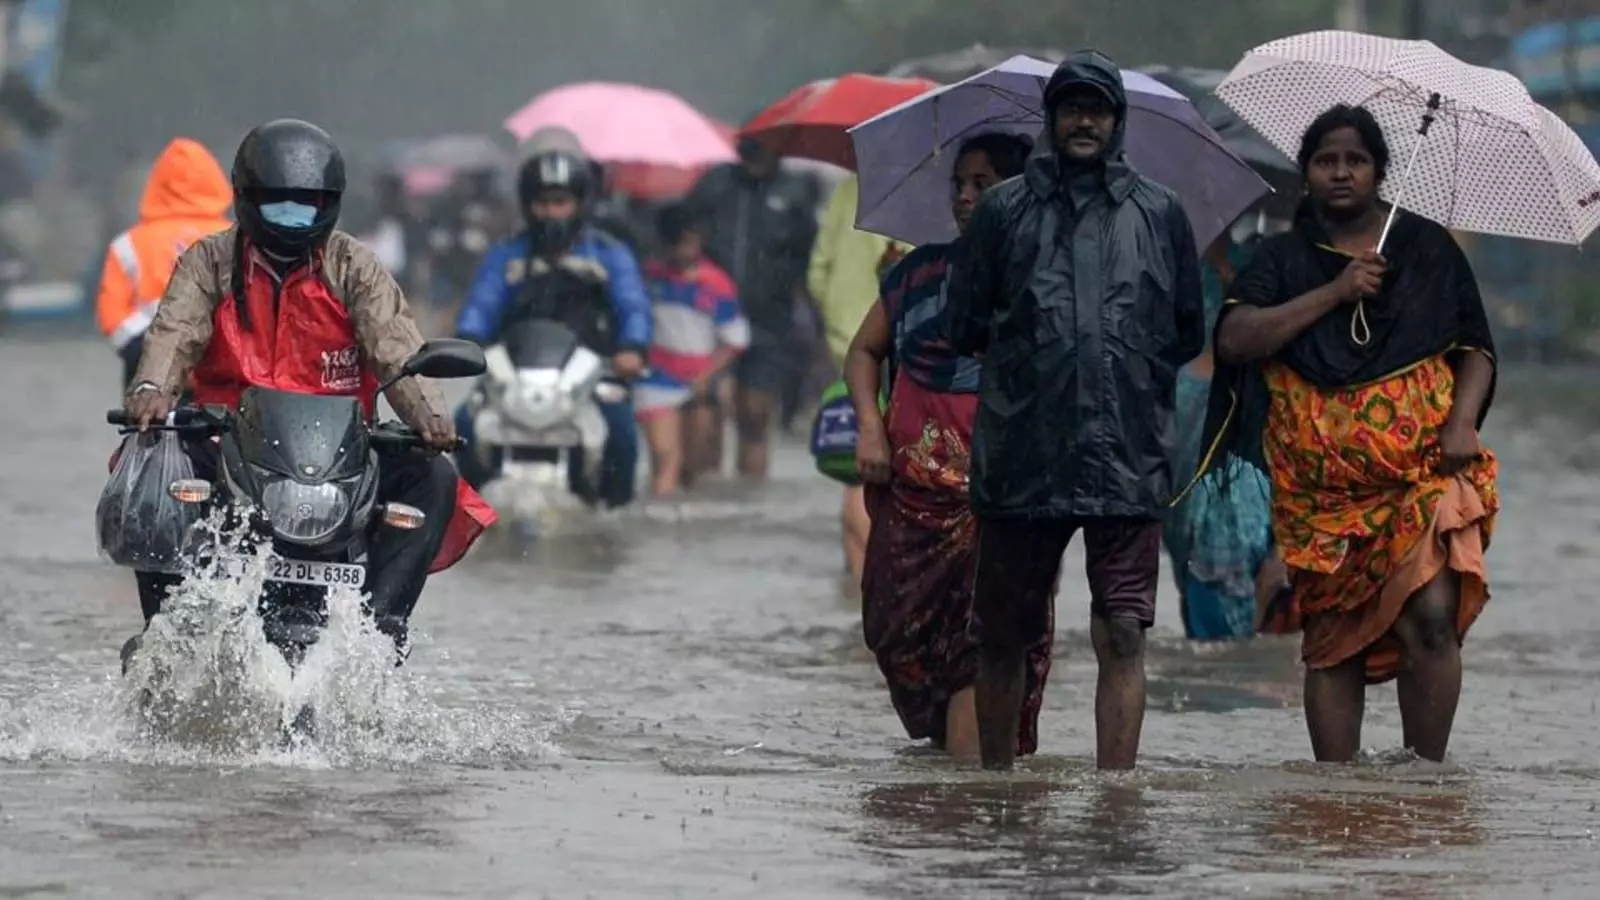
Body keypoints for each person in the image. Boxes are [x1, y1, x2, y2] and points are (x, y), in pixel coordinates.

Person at [121, 119, 495, 658]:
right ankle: (165, 631)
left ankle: (383, 628)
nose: (293, 220)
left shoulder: (355, 266)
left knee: (433, 476)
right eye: (279, 206)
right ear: (247, 201)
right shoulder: (208, 261)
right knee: (150, 469)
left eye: (307, 206)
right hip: (228, 440)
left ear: (332, 205)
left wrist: (430, 418)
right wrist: (153, 390)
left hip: (338, 452)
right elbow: (175, 332)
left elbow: (395, 346)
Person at [1201, 104, 1498, 763]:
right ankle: (1336, 795)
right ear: (1305, 174)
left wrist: (1462, 422)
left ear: (1379, 173)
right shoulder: (1283, 258)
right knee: (1334, 642)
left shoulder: (1426, 250)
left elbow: (1475, 347)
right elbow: (1236, 338)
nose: (1341, 172)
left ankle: (1426, 783)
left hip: (1422, 472)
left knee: (1431, 616)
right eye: (1326, 160)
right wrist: (1334, 293)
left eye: (1356, 161)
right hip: (1320, 499)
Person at [947, 51, 1206, 771]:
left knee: (1123, 631)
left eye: (1097, 108)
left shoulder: (1160, 212)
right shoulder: (1002, 211)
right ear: (1052, 119)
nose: (1084, 119)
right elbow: (961, 322)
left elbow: (1187, 328)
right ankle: (996, 788)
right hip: (1023, 455)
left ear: (1118, 121)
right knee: (1003, 635)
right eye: (1071, 107)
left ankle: (1115, 801)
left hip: (1126, 455)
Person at [846, 132, 1040, 761]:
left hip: (1000, 494)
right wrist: (871, 427)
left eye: (982, 185)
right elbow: (863, 351)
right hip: (911, 495)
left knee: (975, 647)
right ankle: (954, 788)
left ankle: (967, 810)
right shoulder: (919, 271)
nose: (964, 196)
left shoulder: (1045, 280)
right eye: (959, 182)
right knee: (895, 632)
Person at [452, 147, 652, 508]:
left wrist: (633, 347)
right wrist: (469, 340)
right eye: (542, 202)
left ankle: (613, 516)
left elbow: (633, 306)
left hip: (593, 377)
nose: (551, 212)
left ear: (580, 202)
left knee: (622, 434)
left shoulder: (608, 254)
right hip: (514, 375)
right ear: (527, 205)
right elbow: (482, 303)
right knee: (463, 425)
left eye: (561, 201)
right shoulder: (507, 254)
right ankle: (469, 513)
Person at [1163, 233, 1284, 641]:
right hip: (1184, 402)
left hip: (1241, 404)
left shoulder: (1265, 256)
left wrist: (1237, 278)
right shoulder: (1170, 254)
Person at [684, 137, 818, 479]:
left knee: (755, 414)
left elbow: (810, 257)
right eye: (750, 150)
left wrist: (813, 313)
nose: (755, 159)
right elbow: (686, 231)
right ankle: (706, 501)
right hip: (710, 317)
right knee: (706, 408)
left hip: (769, 320)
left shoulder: (794, 193)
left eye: (763, 150)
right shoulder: (715, 184)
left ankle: (751, 499)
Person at [809, 172, 916, 583]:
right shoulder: (933, 193)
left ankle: (858, 588)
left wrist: (839, 322)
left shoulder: (847, 190)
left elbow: (818, 271)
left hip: (848, 342)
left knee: (859, 470)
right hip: (908, 345)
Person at [95, 137, 232, 388]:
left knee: (145, 424)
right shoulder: (238, 238)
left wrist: (141, 347)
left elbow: (112, 311)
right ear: (213, 179)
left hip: (147, 364)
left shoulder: (129, 243)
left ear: (157, 183)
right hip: (222, 363)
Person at [635, 202, 749, 495]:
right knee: (665, 459)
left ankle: (681, 528)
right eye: (677, 244)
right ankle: (660, 525)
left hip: (700, 383)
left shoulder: (717, 284)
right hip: (655, 379)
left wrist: (708, 377)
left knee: (693, 467)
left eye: (690, 243)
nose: (684, 252)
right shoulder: (647, 278)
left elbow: (736, 340)